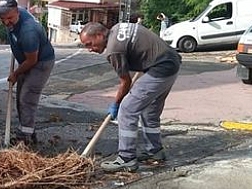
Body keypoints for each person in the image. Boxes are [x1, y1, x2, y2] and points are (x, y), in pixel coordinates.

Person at [78, 21, 181, 172]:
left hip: (160, 68)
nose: (90, 49)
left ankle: (126, 158)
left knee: (127, 110)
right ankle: (155, 151)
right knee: (149, 111)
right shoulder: (117, 28)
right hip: (171, 61)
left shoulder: (113, 50)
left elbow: (125, 81)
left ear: (99, 35)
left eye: (89, 44)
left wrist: (117, 104)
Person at [0, 0, 55, 146]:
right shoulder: (14, 15)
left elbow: (32, 60)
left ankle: (25, 139)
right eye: (2, 19)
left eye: (9, 18)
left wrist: (16, 73)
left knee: (27, 98)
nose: (6, 22)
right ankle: (28, 131)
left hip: (40, 63)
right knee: (21, 99)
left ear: (17, 11)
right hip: (27, 61)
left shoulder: (28, 30)